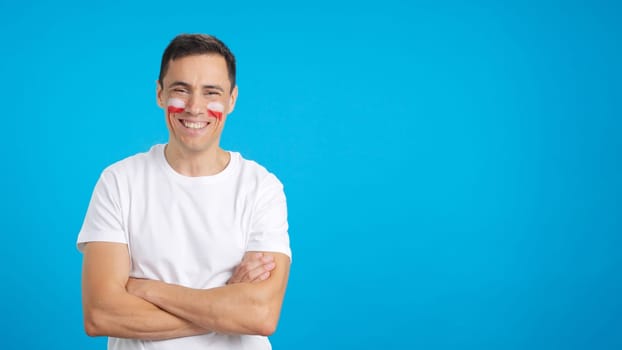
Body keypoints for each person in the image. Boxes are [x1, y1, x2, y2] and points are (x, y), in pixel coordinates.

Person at [77, 33, 292, 350]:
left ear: (232, 99)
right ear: (160, 94)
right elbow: (101, 314)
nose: (195, 107)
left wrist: (148, 290)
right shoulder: (119, 181)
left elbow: (260, 315)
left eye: (211, 92)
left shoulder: (261, 187)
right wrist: (224, 304)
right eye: (181, 90)